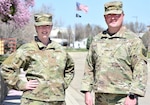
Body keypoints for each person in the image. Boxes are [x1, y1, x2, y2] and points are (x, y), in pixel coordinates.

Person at [81, 1, 148, 105]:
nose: (113, 18)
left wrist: (133, 95)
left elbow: (140, 70)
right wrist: (87, 91)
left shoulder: (133, 41)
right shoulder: (97, 40)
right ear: (104, 17)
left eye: (116, 14)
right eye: (109, 15)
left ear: (123, 15)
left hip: (123, 98)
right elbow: (89, 67)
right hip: (100, 97)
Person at [1, 13, 75, 105]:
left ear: (51, 27)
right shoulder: (27, 49)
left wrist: (62, 84)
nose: (44, 29)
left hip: (57, 100)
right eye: (41, 26)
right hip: (34, 100)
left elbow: (70, 68)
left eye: (47, 26)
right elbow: (6, 68)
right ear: (36, 28)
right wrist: (20, 84)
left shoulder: (60, 50)